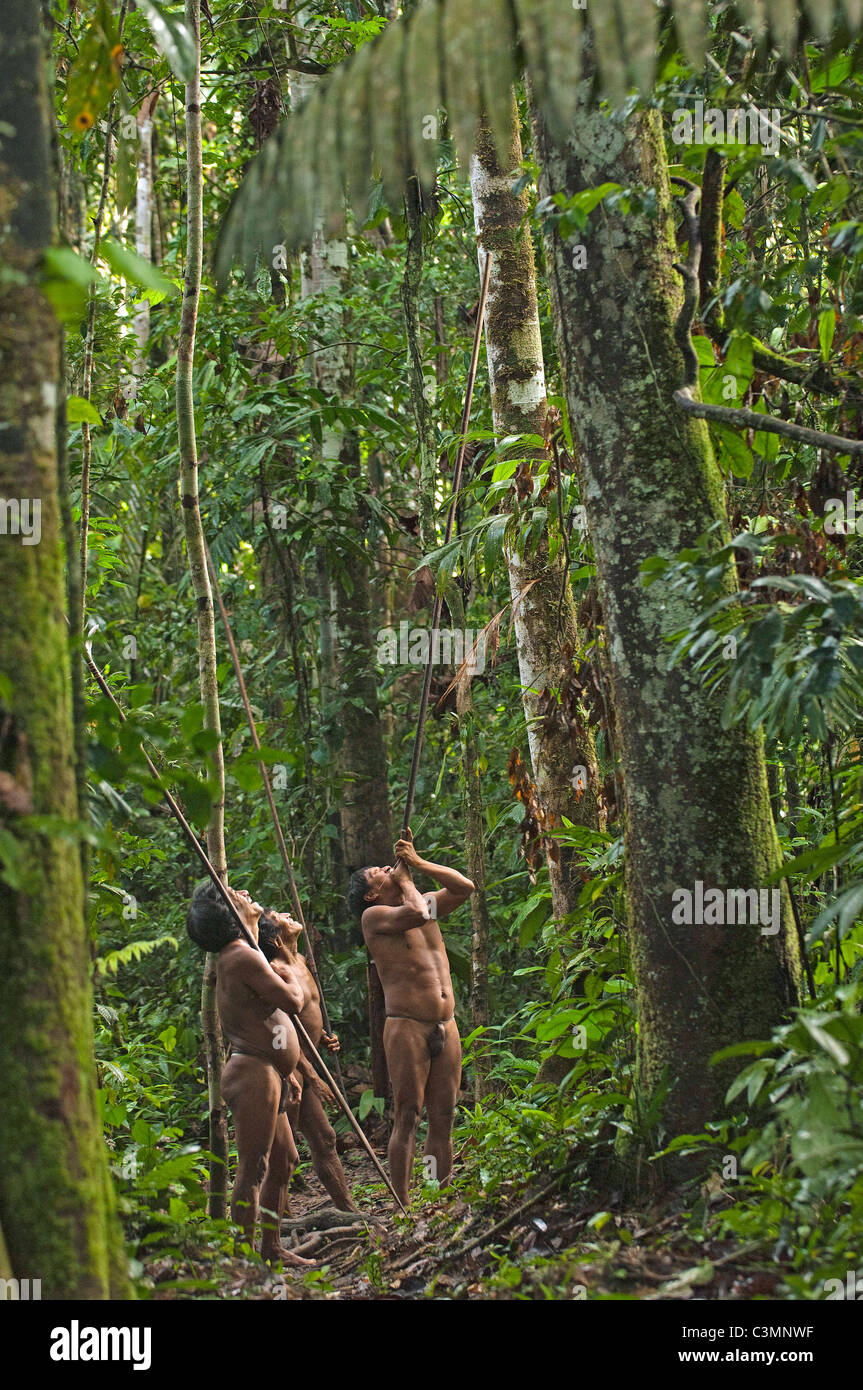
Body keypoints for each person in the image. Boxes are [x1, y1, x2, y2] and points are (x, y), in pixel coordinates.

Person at [186, 880, 310, 1266]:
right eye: (232, 893)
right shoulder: (240, 954)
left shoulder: (245, 951)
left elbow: (260, 1019)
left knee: (285, 1159)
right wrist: (290, 963)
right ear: (225, 912)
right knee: (254, 1166)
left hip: (267, 1069)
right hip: (252, 1072)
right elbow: (292, 1001)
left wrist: (286, 1068)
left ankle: (271, 1248)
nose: (243, 892)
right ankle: (241, 1262)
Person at [348, 830, 475, 1208]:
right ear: (372, 894)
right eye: (378, 872)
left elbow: (465, 887)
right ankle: (402, 1205)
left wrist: (417, 863)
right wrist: (404, 878)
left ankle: (438, 1197)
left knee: (444, 1115)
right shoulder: (375, 917)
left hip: (445, 1023)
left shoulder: (423, 903)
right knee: (408, 1115)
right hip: (407, 1024)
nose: (388, 867)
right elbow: (416, 912)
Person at [257, 910, 358, 1213]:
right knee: (283, 1156)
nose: (288, 914)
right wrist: (313, 1077)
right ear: (276, 938)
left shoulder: (301, 962)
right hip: (286, 1071)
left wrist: (324, 1038)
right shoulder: (274, 972)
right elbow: (279, 1035)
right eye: (279, 916)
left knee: (325, 1139)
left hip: (308, 1065)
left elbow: (306, 1020)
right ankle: (279, 1223)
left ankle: (349, 1213)